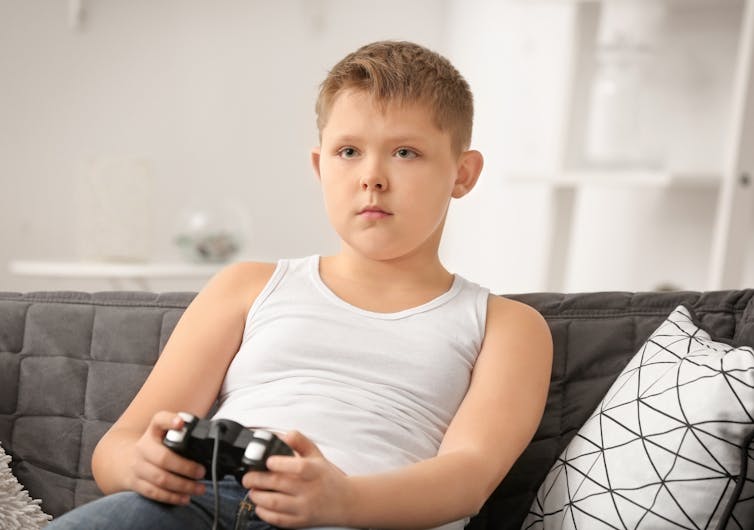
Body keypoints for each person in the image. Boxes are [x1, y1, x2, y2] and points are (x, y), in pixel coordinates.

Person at [48, 40, 552, 530]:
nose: (371, 177)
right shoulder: (248, 285)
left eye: (405, 152)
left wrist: (342, 500)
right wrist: (142, 466)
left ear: (462, 174)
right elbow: (119, 445)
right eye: (349, 151)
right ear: (320, 166)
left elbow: (468, 479)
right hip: (205, 500)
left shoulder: (506, 326)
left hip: (362, 515)